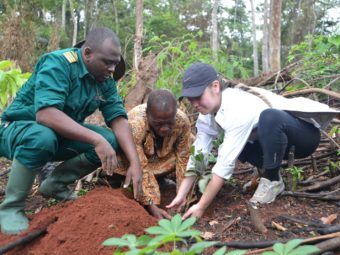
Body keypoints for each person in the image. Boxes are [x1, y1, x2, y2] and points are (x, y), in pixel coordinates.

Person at [0, 27, 142, 235]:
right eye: (107, 62)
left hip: (54, 137)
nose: (112, 69)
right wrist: (95, 139)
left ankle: (55, 185)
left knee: (110, 140)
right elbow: (46, 115)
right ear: (87, 53)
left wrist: (135, 163)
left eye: (115, 63)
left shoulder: (104, 79)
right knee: (43, 136)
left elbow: (117, 118)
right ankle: (11, 207)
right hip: (15, 130)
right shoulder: (58, 63)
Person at [167, 62, 338, 219]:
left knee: (268, 118)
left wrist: (201, 206)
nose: (194, 103)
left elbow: (223, 166)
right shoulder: (207, 115)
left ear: (215, 87)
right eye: (190, 98)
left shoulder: (237, 106)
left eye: (198, 96)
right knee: (233, 143)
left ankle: (271, 181)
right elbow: (199, 154)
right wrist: (181, 194)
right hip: (278, 141)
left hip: (304, 137)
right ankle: (270, 173)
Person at [115, 89, 191, 219]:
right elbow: (140, 166)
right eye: (158, 124)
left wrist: (183, 196)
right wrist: (151, 206)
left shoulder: (181, 121)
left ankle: (159, 180)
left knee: (190, 146)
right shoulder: (136, 123)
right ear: (147, 114)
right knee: (123, 162)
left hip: (158, 160)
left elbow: (183, 159)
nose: (165, 128)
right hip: (132, 162)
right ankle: (120, 183)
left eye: (169, 122)